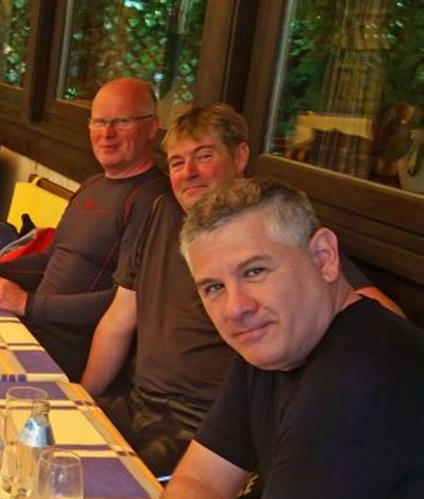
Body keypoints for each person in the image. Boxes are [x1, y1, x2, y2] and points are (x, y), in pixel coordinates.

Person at [157, 177, 423, 499]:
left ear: (324, 257)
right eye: (213, 287)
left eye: (255, 271)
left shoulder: (363, 373)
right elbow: (196, 483)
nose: (235, 307)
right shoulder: (271, 347)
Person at [81, 104, 405, 477]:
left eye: (204, 156)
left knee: (88, 481)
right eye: (177, 162)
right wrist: (84, 398)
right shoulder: (161, 214)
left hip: (203, 423)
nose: (189, 172)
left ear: (240, 156)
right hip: (138, 403)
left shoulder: (270, 231)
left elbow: (379, 317)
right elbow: (118, 320)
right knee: (44, 438)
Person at [0, 77, 173, 380]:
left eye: (121, 122)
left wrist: (27, 303)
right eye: (99, 121)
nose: (107, 133)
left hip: (66, 352)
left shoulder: (154, 202)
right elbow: (49, 260)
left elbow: (122, 305)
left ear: (151, 127)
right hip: (31, 328)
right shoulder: (93, 184)